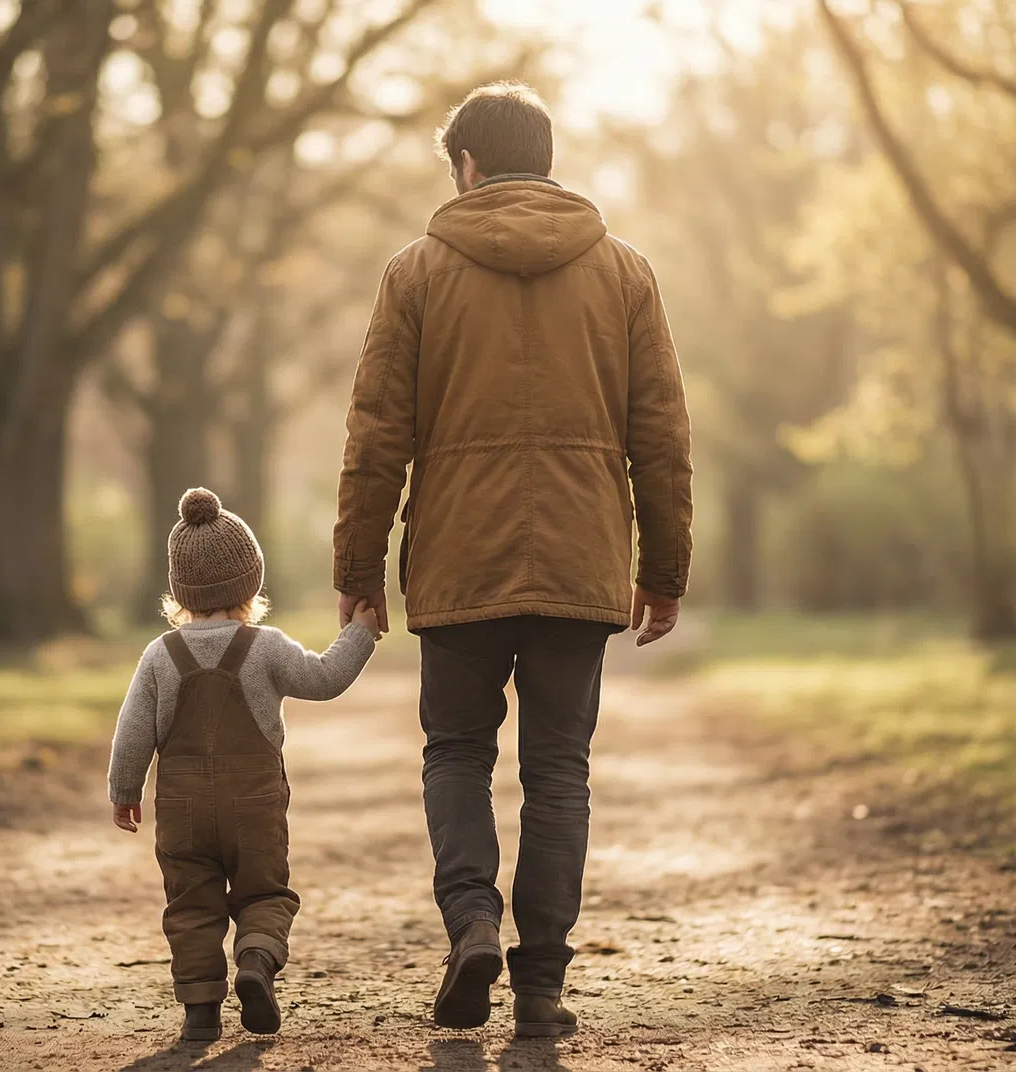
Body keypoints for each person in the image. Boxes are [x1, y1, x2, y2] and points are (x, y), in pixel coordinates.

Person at [332, 82, 694, 1038]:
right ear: (546, 156)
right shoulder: (625, 273)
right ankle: (541, 989)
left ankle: (472, 926)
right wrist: (664, 568)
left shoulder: (415, 273)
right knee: (559, 772)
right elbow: (660, 435)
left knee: (455, 753)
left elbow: (375, 436)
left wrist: (360, 568)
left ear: (468, 166)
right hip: (580, 563)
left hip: (458, 560)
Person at [110, 487, 382, 1043]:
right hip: (255, 806)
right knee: (264, 893)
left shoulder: (161, 655)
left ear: (180, 589)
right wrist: (360, 631)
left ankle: (200, 1012)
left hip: (183, 810)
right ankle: (256, 960)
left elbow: (134, 729)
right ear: (251, 581)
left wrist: (124, 788)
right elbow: (325, 678)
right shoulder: (266, 646)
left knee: (191, 904)